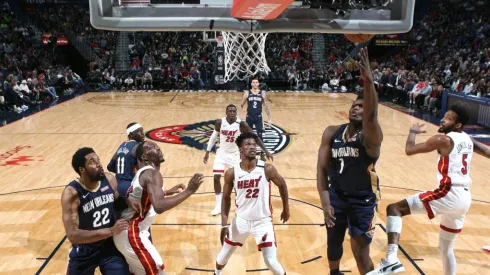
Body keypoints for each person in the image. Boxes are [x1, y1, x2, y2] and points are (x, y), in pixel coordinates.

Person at [368, 101, 490, 275]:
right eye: (444, 116)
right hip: (464, 199)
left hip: (449, 192)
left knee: (394, 209)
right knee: (445, 249)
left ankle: (391, 260)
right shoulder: (467, 139)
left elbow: (409, 150)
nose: (442, 120)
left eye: (448, 118)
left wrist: (412, 132)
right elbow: (486, 151)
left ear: (458, 124)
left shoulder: (443, 139)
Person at [317, 48, 383, 275]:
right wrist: (325, 202)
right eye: (355, 105)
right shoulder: (331, 132)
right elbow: (322, 169)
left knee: (360, 252)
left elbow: (372, 116)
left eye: (362, 106)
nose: (357, 107)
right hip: (337, 196)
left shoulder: (370, 137)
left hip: (363, 201)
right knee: (333, 243)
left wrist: (368, 81)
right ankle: (333, 273)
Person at [113, 141, 205, 275]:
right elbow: (159, 206)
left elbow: (144, 195)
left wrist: (165, 192)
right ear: (144, 157)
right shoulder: (152, 174)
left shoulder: (143, 173)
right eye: (151, 147)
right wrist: (189, 191)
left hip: (129, 233)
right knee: (157, 270)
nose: (157, 148)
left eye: (156, 146)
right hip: (133, 233)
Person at [214, 132, 289, 275]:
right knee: (223, 257)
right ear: (241, 150)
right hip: (241, 221)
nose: (252, 147)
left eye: (254, 144)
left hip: (263, 222)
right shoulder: (232, 173)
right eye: (248, 144)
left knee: (271, 261)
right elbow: (225, 198)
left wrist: (286, 209)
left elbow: (283, 185)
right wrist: (224, 223)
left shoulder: (266, 169)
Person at [62, 147, 141, 275]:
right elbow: (73, 236)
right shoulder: (72, 193)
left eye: (98, 159)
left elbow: (116, 198)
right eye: (92, 162)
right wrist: (111, 230)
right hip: (85, 249)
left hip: (108, 245)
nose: (99, 163)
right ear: (82, 169)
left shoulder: (109, 180)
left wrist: (128, 201)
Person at [203, 104, 273, 216]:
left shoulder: (242, 124)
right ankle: (218, 206)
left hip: (235, 154)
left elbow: (254, 137)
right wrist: (207, 152)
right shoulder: (220, 123)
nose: (232, 112)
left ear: (236, 113)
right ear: (226, 112)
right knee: (216, 177)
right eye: (230, 111)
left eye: (233, 111)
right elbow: (213, 137)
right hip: (221, 153)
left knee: (239, 180)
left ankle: (242, 205)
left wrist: (266, 150)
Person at [107, 123, 145, 214]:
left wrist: (122, 171)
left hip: (116, 185)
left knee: (118, 216)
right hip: (129, 186)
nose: (143, 134)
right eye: (139, 131)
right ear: (131, 135)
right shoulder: (138, 146)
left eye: (142, 131)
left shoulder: (121, 146)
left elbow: (110, 166)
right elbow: (142, 172)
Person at [240, 77, 272, 160]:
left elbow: (266, 107)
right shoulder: (247, 93)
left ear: (258, 84)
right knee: (246, 136)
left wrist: (269, 118)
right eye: (253, 82)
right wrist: (237, 116)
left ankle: (262, 154)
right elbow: (241, 105)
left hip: (258, 117)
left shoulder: (262, 93)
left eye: (256, 82)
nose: (254, 84)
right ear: (251, 84)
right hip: (249, 116)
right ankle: (244, 153)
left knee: (260, 136)